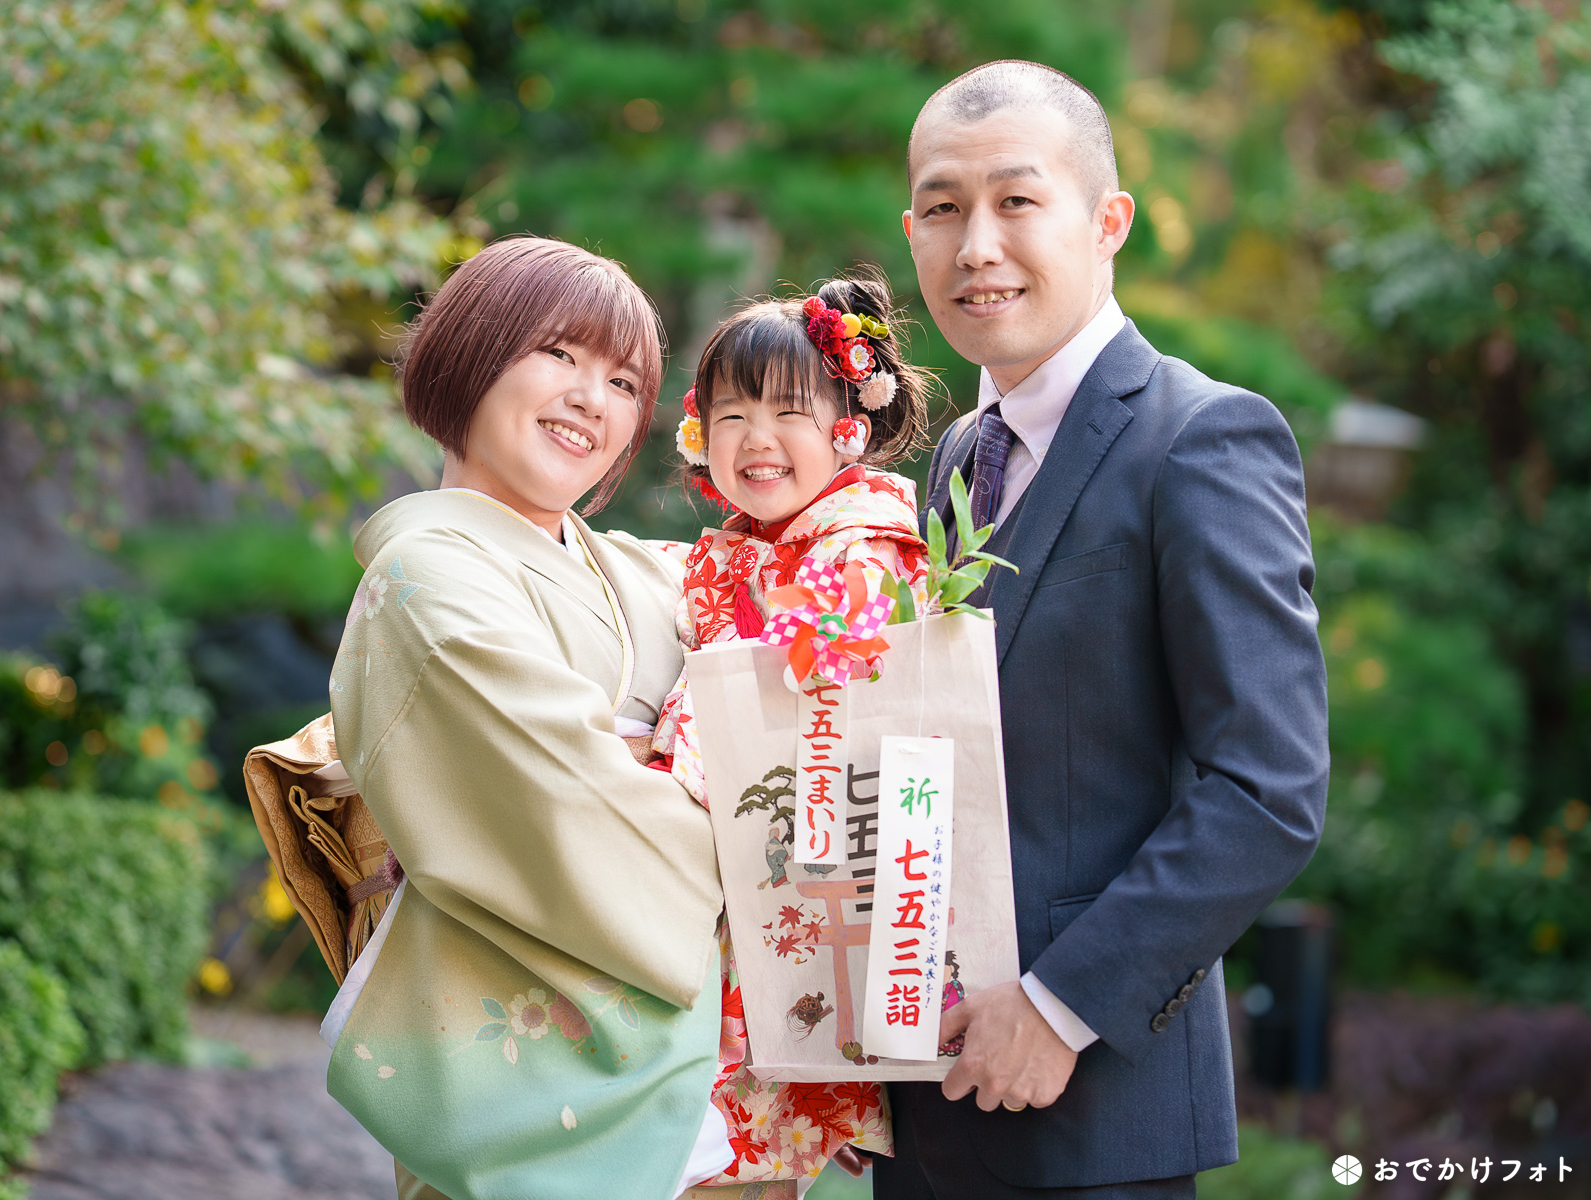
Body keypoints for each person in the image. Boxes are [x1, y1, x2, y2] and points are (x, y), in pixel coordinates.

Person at [874, 61, 1330, 1197]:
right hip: (919, 1104)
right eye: (942, 208)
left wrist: (1059, 1003)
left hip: (1089, 1116)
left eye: (1016, 201)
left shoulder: (1203, 438)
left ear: (1107, 219)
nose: (976, 244)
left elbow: (1267, 786)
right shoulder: (948, 459)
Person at [317, 236, 740, 1200]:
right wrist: (750, 824)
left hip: (707, 1097)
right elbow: (574, 805)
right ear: (469, 354)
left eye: (624, 380)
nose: (593, 396)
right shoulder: (427, 577)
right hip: (527, 1100)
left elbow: (806, 641)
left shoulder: (638, 569)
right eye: (559, 353)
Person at [650, 272, 935, 1188]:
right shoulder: (739, 548)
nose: (755, 440)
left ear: (848, 427)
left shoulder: (865, 545)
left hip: (806, 872)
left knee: (736, 1162)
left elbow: (772, 692)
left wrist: (646, 777)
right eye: (730, 415)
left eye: (787, 413)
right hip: (736, 879)